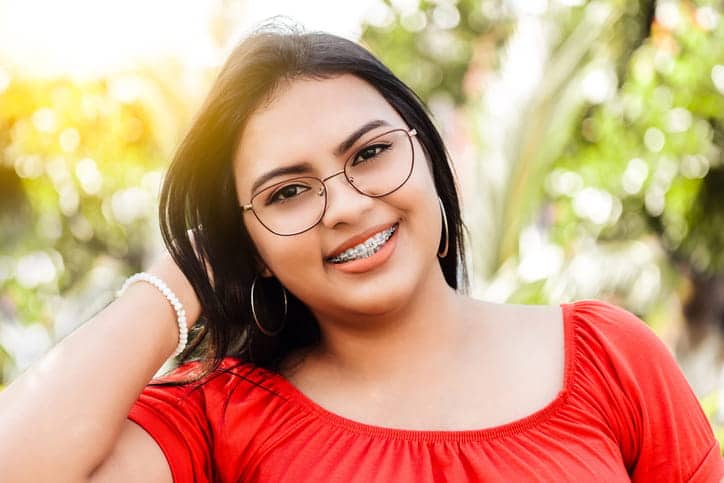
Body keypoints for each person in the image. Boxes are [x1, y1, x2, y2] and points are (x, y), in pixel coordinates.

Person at [0, 23, 722, 483]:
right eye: (287, 193)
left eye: (371, 152)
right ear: (245, 241)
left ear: (428, 155)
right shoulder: (218, 415)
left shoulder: (610, 356)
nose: (344, 205)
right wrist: (178, 280)